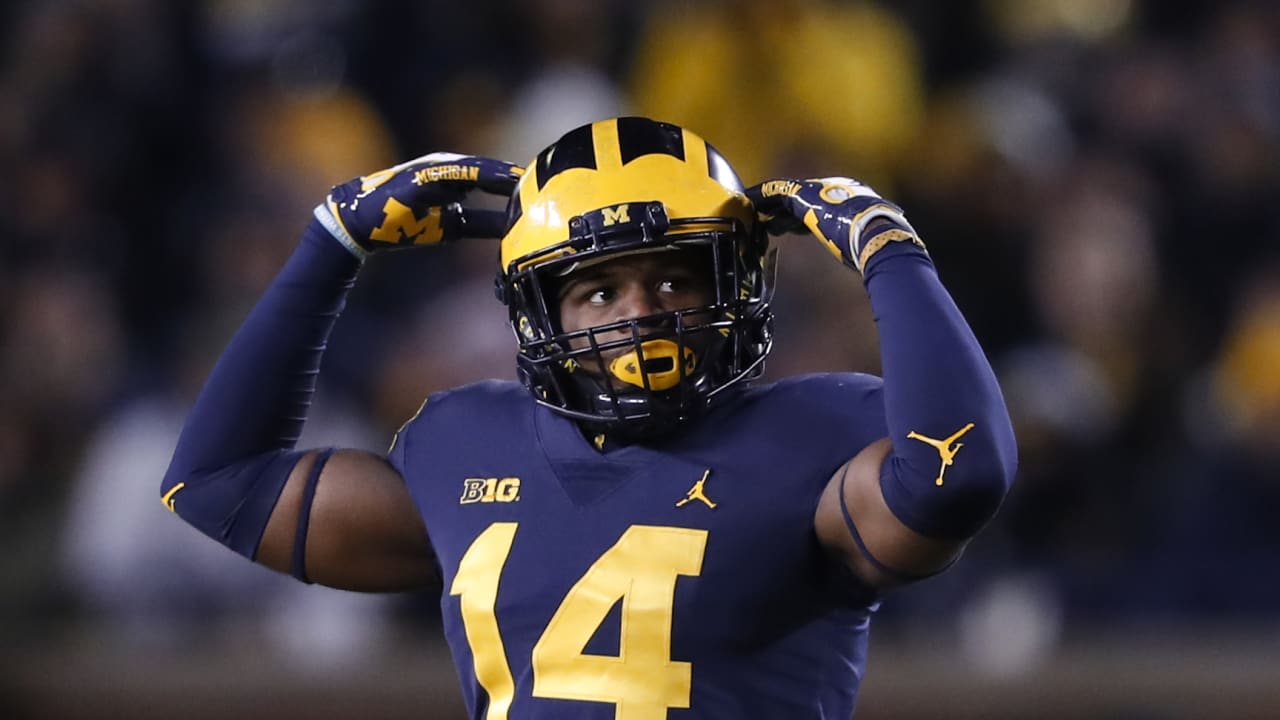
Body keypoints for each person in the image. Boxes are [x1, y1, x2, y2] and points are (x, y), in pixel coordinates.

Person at [161, 116, 1017, 718]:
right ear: (540, 315)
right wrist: (330, 248)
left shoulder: (816, 431)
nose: (639, 313)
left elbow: (959, 473)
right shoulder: (462, 441)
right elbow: (213, 487)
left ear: (738, 285)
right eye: (598, 290)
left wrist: (890, 252)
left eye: (675, 278)